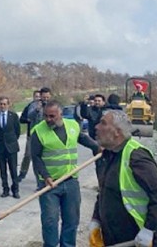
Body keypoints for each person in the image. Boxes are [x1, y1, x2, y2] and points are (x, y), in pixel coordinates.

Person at [89, 110, 157, 247]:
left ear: (117, 132)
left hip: (144, 240)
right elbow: (105, 192)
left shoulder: (136, 156)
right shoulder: (109, 155)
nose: (96, 127)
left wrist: (149, 229)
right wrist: (96, 219)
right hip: (118, 238)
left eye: (103, 123)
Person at [31, 101, 99, 247]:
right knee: (50, 221)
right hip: (49, 185)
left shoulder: (72, 125)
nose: (48, 119)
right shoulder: (38, 131)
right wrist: (46, 176)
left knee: (71, 220)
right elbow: (35, 157)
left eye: (52, 116)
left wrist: (97, 147)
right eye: (46, 116)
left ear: (60, 114)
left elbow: (82, 138)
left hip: (71, 181)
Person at [0, 96, 21, 198]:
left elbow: (17, 131)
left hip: (11, 147)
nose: (2, 106)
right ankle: (5, 189)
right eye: (1, 104)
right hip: (0, 147)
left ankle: (15, 189)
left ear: (8, 105)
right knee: (2, 170)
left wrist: (11, 140)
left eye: (4, 104)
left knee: (13, 169)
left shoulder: (14, 116)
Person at [19, 87, 51, 180]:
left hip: (49, 134)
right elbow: (28, 116)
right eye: (44, 97)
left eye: (47, 97)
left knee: (47, 157)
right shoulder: (34, 105)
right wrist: (37, 109)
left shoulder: (53, 105)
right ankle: (37, 180)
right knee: (32, 156)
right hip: (34, 135)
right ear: (40, 96)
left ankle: (48, 178)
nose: (45, 99)